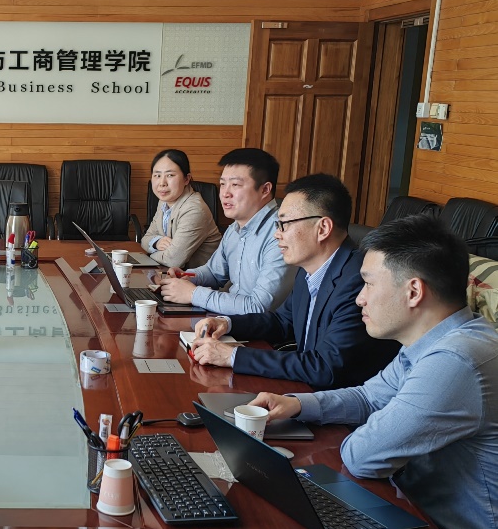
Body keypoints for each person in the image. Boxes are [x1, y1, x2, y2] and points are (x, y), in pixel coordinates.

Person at [249, 215, 498, 529]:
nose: (359, 298)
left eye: (367, 283)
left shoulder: (455, 360)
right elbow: (369, 396)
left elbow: (363, 456)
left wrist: (371, 426)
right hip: (421, 512)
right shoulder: (435, 339)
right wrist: (297, 404)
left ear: (413, 291)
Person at [190, 174, 398, 388]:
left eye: (284, 224)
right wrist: (227, 323)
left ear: (323, 229)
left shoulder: (359, 280)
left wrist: (233, 356)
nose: (276, 235)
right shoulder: (311, 267)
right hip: (305, 388)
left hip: (340, 400)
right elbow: (282, 322)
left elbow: (326, 367)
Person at [159, 148, 294, 314]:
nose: (225, 193)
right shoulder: (235, 228)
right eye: (223, 184)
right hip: (227, 320)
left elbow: (259, 307)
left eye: (235, 185)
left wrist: (192, 294)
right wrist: (187, 276)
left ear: (265, 190)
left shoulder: (281, 234)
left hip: (260, 328)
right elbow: (214, 272)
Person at [139, 149, 222, 269]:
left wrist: (147, 256)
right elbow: (145, 239)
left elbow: (173, 260)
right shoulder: (164, 201)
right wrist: (156, 242)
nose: (162, 183)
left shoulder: (194, 210)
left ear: (186, 179)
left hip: (199, 278)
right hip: (171, 273)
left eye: (170, 175)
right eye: (157, 175)